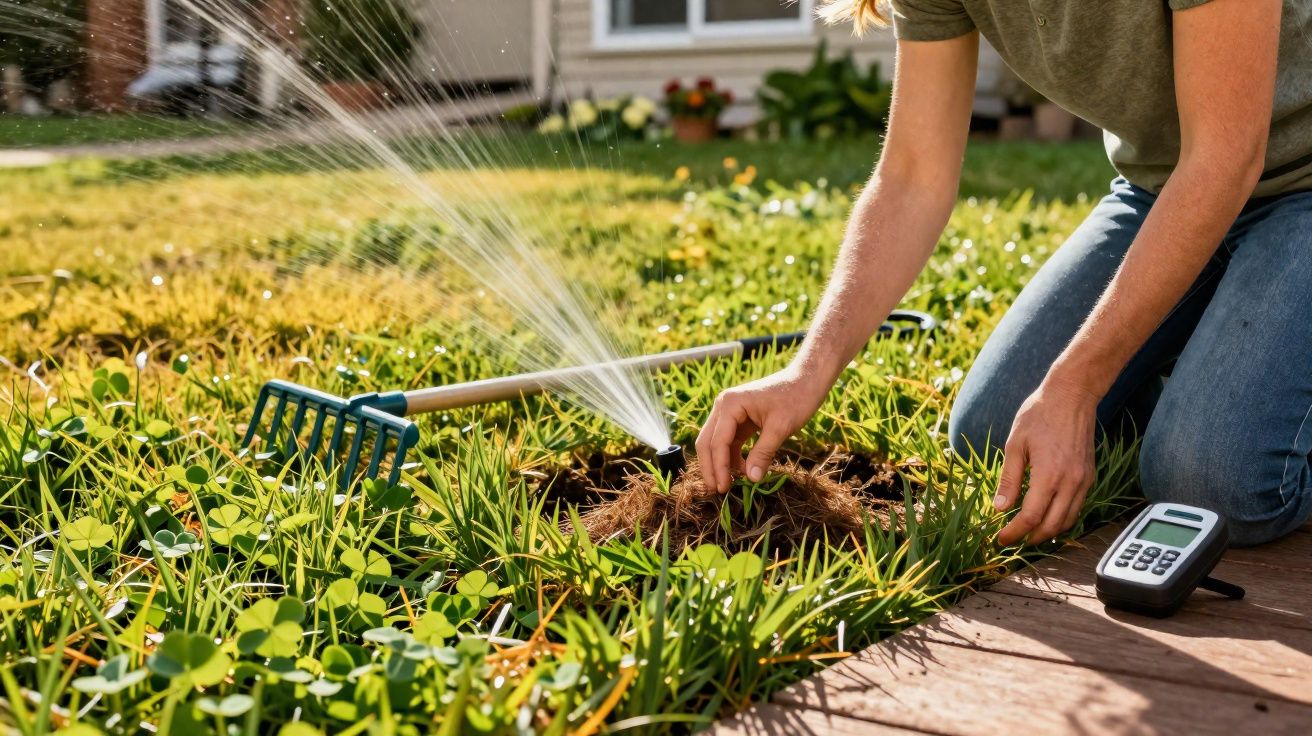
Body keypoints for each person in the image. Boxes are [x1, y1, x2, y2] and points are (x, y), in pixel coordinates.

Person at [696, 0, 1312, 547]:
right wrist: (808, 369)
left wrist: (1076, 387)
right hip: (1161, 187)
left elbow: (1225, 157)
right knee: (994, 432)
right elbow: (912, 175)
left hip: (1293, 181)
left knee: (1212, 484)